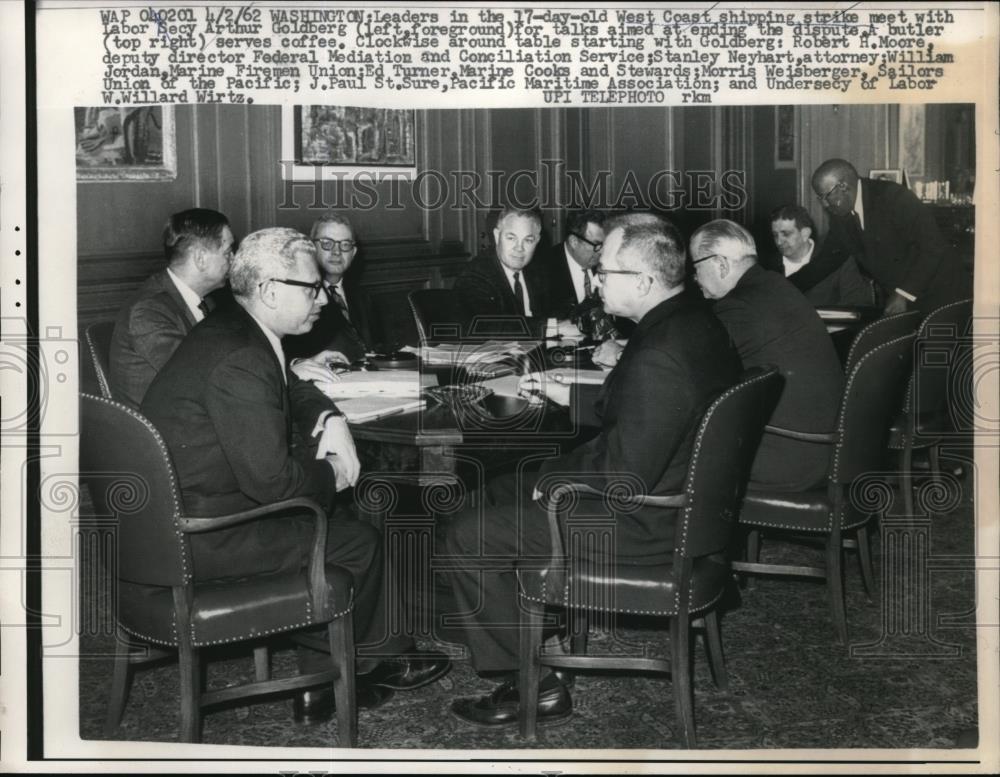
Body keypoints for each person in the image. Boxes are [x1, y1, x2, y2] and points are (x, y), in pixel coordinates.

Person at [141, 227, 449, 723]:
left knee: (340, 529)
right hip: (204, 537)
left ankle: (324, 682)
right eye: (311, 288)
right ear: (268, 290)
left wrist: (329, 418)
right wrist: (334, 471)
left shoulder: (233, 329)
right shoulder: (242, 356)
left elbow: (292, 385)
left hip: (177, 518)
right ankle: (371, 664)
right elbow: (275, 486)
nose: (324, 297)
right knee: (357, 539)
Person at [445, 213, 741, 727]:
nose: (597, 280)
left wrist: (551, 482)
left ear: (645, 282)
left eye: (605, 271)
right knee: (496, 490)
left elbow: (624, 476)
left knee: (467, 533)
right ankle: (537, 620)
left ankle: (530, 683)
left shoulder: (658, 353)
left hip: (645, 523)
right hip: (686, 507)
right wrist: (576, 399)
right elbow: (644, 411)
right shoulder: (691, 323)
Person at [690, 219, 843, 492]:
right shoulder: (774, 285)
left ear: (721, 264)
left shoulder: (739, 307)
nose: (695, 277)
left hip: (790, 459)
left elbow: (690, 371)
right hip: (825, 449)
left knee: (676, 455)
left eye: (696, 267)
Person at [810, 158, 972, 315]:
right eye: (820, 198)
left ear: (843, 186)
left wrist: (903, 294)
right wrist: (788, 286)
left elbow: (933, 247)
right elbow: (825, 262)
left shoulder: (893, 197)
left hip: (944, 296)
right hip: (903, 302)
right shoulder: (840, 216)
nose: (824, 204)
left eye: (826, 196)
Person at [108, 208, 234, 408]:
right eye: (227, 253)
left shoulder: (207, 301)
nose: (233, 260)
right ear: (200, 258)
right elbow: (201, 376)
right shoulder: (148, 311)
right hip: (161, 432)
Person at [283, 211, 376, 364]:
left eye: (345, 245)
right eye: (327, 243)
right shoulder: (298, 295)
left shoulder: (363, 296)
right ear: (312, 247)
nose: (337, 252)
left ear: (353, 253)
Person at [452, 206, 550, 337]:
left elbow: (559, 310)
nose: (519, 248)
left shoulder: (538, 271)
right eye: (511, 238)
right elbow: (488, 325)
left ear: (537, 241)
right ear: (497, 236)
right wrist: (552, 327)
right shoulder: (475, 275)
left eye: (528, 240)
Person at [769, 204, 874, 308]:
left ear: (805, 234)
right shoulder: (768, 268)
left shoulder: (838, 261)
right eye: (775, 235)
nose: (779, 241)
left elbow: (858, 305)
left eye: (786, 234)